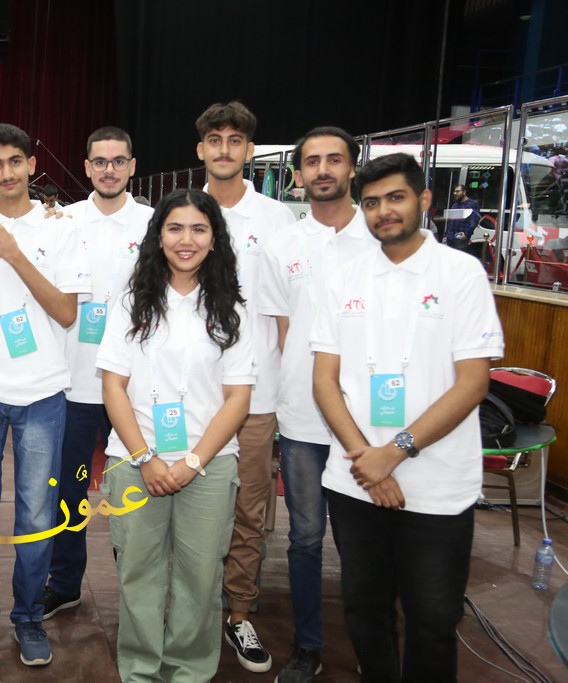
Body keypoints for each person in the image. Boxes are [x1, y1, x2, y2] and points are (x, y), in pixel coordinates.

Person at [310, 153, 503, 681]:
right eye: (371, 202)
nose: (383, 211)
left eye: (395, 198)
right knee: (364, 610)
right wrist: (366, 460)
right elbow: (325, 381)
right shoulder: (343, 278)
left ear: (424, 200)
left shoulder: (461, 273)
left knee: (433, 618)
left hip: (436, 484)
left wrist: (393, 453)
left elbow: (473, 383)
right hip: (355, 480)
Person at [0, 123, 89, 667]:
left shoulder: (61, 227)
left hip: (44, 393)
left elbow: (67, 312)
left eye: (15, 162)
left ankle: (28, 617)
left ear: (31, 165)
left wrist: (14, 254)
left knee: (36, 515)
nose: (6, 173)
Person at [99, 189, 254, 682]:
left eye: (199, 229)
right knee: (138, 573)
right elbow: (113, 387)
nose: (186, 240)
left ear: (214, 239)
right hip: (135, 461)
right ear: (159, 236)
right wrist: (145, 457)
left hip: (209, 464)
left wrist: (193, 462)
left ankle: (189, 670)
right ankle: (141, 670)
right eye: (175, 228)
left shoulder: (231, 308)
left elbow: (238, 398)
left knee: (200, 576)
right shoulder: (131, 303)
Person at [258, 126, 378, 683]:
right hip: (304, 420)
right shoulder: (283, 245)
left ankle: (375, 646)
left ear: (353, 167)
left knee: (364, 542)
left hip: (369, 420)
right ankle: (307, 646)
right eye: (312, 162)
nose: (323, 170)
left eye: (334, 159)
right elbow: (284, 334)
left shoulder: (380, 237)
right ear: (299, 174)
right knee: (304, 538)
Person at [196, 100, 294, 673]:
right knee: (189, 507)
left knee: (249, 510)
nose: (225, 149)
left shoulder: (278, 220)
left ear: (250, 150)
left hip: (256, 395)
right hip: (191, 396)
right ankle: (190, 609)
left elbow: (286, 316)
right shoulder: (184, 211)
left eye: (235, 140)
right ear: (201, 149)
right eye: (215, 139)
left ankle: (237, 614)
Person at [39, 126, 153, 619]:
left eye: (118, 161)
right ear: (86, 167)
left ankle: (138, 589)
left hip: (135, 387)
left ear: (132, 166)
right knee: (70, 490)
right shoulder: (63, 221)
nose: (109, 170)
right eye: (100, 161)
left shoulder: (155, 223)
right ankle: (64, 583)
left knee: (135, 495)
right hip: (74, 383)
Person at [444, 184, 480, 253]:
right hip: (450, 236)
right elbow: (450, 221)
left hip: (460, 235)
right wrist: (446, 235)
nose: (455, 193)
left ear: (464, 192)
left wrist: (467, 234)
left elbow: (474, 220)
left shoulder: (472, 204)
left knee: (459, 255)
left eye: (457, 191)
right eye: (454, 191)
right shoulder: (455, 205)